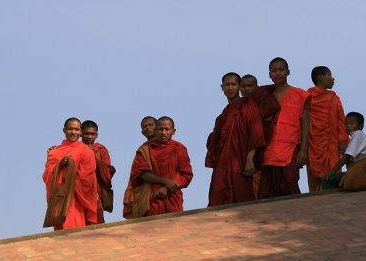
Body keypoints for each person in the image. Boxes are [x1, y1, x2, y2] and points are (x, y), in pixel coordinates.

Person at [205, 73, 265, 206]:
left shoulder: (248, 105)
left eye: (233, 84)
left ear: (239, 87)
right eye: (227, 85)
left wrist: (250, 159)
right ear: (222, 87)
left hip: (241, 160)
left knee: (243, 195)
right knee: (218, 192)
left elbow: (256, 133)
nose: (230, 88)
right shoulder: (223, 115)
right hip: (223, 163)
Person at [255, 57, 310, 199]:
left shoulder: (300, 94)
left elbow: (306, 122)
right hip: (270, 148)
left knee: (290, 181)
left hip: (291, 146)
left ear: (288, 72)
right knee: (267, 190)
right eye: (274, 71)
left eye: (281, 70)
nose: (277, 73)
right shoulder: (266, 96)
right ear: (269, 74)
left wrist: (304, 150)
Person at [130, 116, 193, 216]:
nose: (164, 132)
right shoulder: (146, 150)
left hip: (173, 197)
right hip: (152, 198)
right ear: (156, 130)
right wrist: (164, 181)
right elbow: (140, 173)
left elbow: (186, 175)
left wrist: (166, 188)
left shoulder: (179, 148)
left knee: (174, 227)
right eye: (160, 129)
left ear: (173, 131)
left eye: (167, 129)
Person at [43, 117, 97, 230]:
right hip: (60, 197)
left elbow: (87, 178)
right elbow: (47, 174)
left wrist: (70, 168)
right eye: (70, 129)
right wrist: (61, 165)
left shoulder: (86, 151)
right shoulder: (54, 152)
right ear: (64, 130)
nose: (73, 132)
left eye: (77, 129)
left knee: (74, 226)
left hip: (76, 197)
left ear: (81, 132)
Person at [307, 66, 349, 192]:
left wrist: (343, 140)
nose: (333, 78)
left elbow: (341, 120)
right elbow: (302, 122)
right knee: (315, 177)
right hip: (313, 144)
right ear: (320, 77)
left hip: (331, 144)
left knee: (332, 175)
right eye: (329, 75)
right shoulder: (307, 97)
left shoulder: (333, 98)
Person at [322, 112, 366, 190]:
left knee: (327, 179)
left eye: (352, 123)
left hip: (364, 173)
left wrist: (333, 171)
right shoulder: (356, 139)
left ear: (361, 126)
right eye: (346, 124)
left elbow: (347, 156)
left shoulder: (358, 134)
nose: (348, 126)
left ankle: (333, 201)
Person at [81, 120, 116, 224]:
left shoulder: (101, 150)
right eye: (86, 134)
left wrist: (92, 156)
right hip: (78, 191)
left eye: (92, 134)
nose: (89, 137)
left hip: (95, 191)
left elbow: (107, 173)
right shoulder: (76, 149)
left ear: (96, 135)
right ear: (81, 133)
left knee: (96, 222)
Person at [123, 116, 157, 219]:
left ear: (157, 127)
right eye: (144, 126)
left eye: (150, 125)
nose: (148, 128)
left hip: (165, 191)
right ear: (142, 132)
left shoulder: (170, 147)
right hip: (145, 193)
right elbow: (136, 173)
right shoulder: (142, 150)